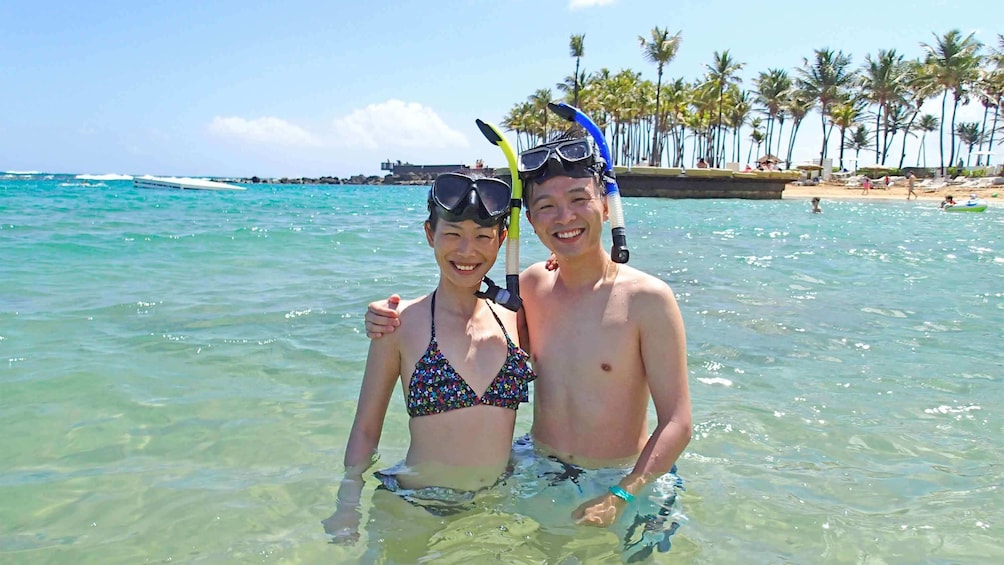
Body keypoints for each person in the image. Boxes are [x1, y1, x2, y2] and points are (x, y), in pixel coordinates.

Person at [365, 137, 692, 555]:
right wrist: (388, 313)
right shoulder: (534, 287)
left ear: (606, 206)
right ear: (531, 224)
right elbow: (463, 313)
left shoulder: (648, 299)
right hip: (538, 469)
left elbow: (678, 424)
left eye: (578, 200)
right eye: (547, 207)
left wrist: (624, 493)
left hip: (623, 476)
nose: (565, 217)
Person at [325, 172, 536, 545]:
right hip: (415, 506)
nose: (467, 251)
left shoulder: (517, 320)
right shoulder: (399, 324)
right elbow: (365, 429)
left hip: (496, 506)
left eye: (482, 237)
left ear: (501, 240)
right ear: (429, 235)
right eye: (452, 234)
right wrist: (348, 502)